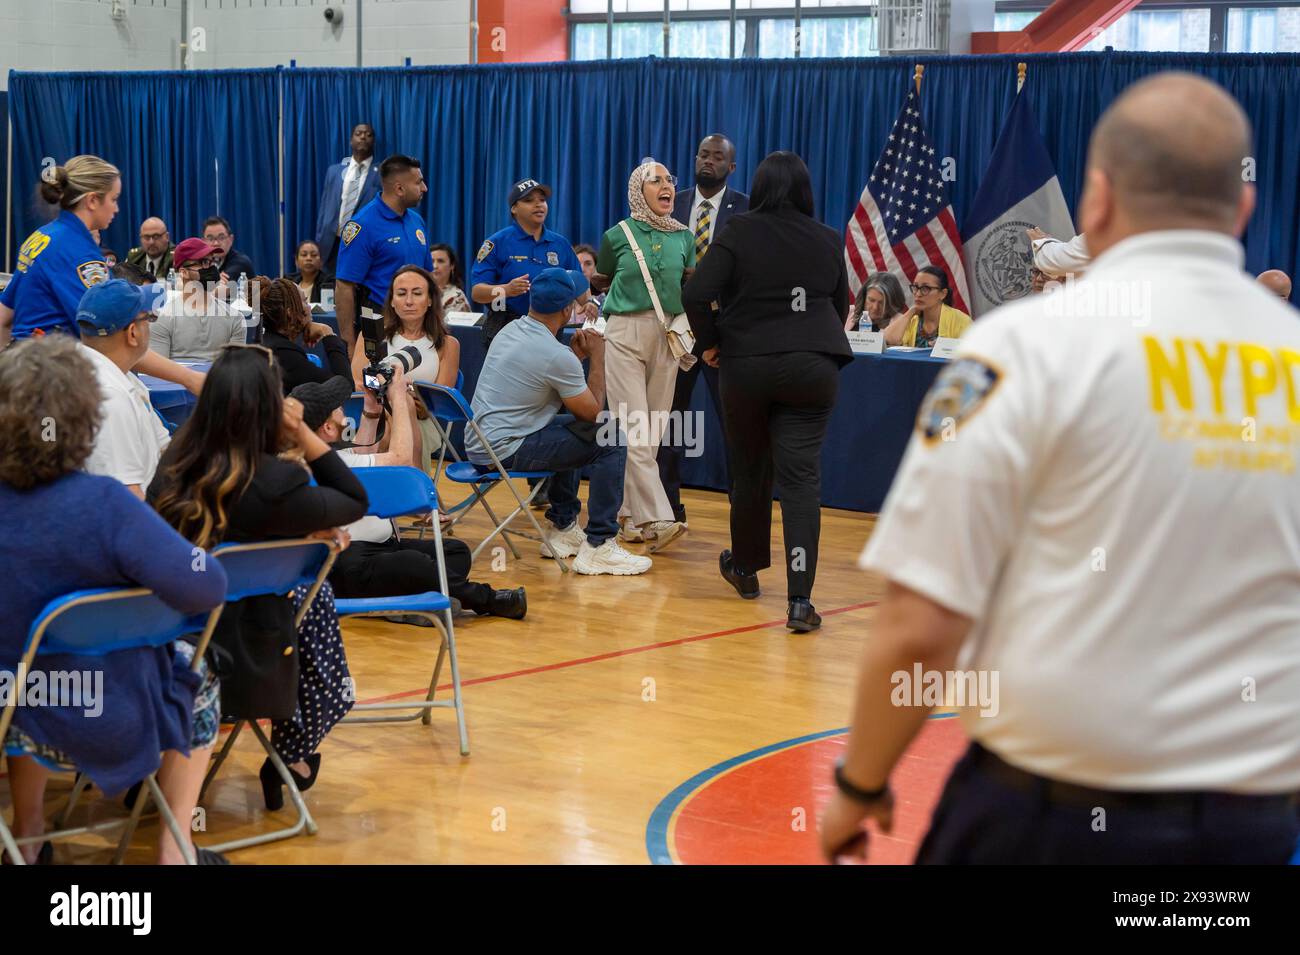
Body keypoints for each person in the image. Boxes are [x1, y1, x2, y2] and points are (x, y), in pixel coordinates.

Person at [822, 72, 1300, 866]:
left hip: (1049, 821)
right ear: (1242, 208)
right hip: (1253, 831)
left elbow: (921, 621)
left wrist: (861, 783)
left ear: (1099, 201)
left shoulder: (1017, 348)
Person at [0, 335, 229, 865]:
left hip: (12, 706)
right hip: (108, 710)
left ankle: (28, 832)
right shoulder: (106, 504)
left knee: (24, 662)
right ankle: (176, 846)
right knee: (200, 671)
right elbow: (208, 586)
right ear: (86, 415)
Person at [149, 346, 367, 811]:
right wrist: (302, 433)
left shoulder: (171, 471)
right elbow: (354, 499)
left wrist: (296, 535)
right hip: (247, 648)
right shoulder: (274, 483)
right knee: (315, 593)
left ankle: (157, 777)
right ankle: (293, 752)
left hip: (162, 640)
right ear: (272, 407)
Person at [682, 151, 852, 633]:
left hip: (748, 365)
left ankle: (746, 569)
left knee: (751, 469)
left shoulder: (737, 232)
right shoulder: (827, 238)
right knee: (800, 481)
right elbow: (839, 308)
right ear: (805, 190)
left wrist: (711, 343)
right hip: (813, 367)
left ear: (755, 188)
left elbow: (695, 295)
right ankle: (800, 600)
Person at [291, 375, 527, 621]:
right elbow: (401, 462)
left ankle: (399, 605)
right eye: (337, 407)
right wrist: (400, 399)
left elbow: (365, 453)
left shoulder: (323, 455)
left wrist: (372, 410)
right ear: (327, 428)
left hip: (379, 550)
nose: (343, 407)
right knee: (414, 563)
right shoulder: (322, 463)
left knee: (455, 552)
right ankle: (487, 599)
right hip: (347, 562)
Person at [466, 268, 650, 577]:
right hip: (502, 449)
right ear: (567, 310)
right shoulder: (555, 356)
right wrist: (597, 358)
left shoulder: (510, 330)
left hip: (480, 442)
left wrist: (573, 358)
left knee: (575, 429)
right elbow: (593, 413)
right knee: (610, 438)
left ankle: (564, 527)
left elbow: (545, 376)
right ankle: (599, 545)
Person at [0, 155, 205, 395]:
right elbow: (112, 339)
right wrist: (189, 378)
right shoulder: (80, 255)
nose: (117, 208)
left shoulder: (40, 238)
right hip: (55, 381)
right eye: (114, 199)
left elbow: (4, 317)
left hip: (24, 374)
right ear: (93, 200)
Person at [593, 161, 694, 551]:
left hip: (667, 333)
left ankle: (628, 518)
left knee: (650, 432)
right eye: (657, 179)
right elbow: (603, 274)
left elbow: (687, 280)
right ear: (639, 189)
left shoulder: (685, 237)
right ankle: (658, 517)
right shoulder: (617, 235)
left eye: (670, 179)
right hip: (624, 330)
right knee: (634, 427)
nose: (667, 185)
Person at [657, 134, 750, 527]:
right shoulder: (669, 202)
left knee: (733, 424)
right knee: (669, 421)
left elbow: (750, 267)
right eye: (702, 154)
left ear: (731, 168)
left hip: (723, 331)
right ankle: (667, 508)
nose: (707, 161)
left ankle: (740, 511)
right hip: (674, 328)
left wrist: (711, 280)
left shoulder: (745, 208)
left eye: (717, 157)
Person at [350, 264, 459, 476]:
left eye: (417, 293)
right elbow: (357, 385)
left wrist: (399, 397)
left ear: (429, 300)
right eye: (401, 293)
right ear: (392, 300)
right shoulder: (371, 335)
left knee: (398, 414)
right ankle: (418, 491)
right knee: (389, 424)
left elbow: (437, 401)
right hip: (372, 413)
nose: (409, 301)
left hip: (422, 421)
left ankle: (388, 497)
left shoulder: (448, 344)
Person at [74, 278, 172, 499]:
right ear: (132, 334)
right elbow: (126, 499)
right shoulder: (109, 397)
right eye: (149, 318)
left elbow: (165, 450)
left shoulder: (119, 374)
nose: (150, 324)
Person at [468, 177, 587, 350]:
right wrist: (506, 290)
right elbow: (477, 292)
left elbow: (579, 283)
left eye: (542, 200)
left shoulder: (559, 244)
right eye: (529, 200)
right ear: (514, 208)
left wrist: (589, 302)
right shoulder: (497, 243)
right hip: (507, 326)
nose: (538, 205)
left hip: (551, 329)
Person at [335, 154, 431, 358]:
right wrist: (350, 344)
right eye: (419, 182)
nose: (424, 188)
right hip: (379, 322)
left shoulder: (417, 221)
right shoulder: (362, 225)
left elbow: (427, 278)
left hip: (418, 324)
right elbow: (345, 286)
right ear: (399, 189)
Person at [151, 237, 247, 362]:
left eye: (212, 262)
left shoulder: (236, 319)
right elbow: (158, 373)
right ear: (184, 272)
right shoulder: (163, 319)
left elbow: (236, 371)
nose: (211, 268)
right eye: (203, 262)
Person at [256, 275, 351, 394]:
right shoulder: (285, 354)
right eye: (305, 301)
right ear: (290, 313)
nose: (309, 307)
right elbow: (345, 387)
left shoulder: (269, 343)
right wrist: (327, 332)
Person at [315, 123, 380, 269]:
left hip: (362, 243)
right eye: (358, 133)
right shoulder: (334, 171)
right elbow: (324, 209)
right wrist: (319, 239)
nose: (363, 136)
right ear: (351, 140)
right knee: (329, 289)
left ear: (374, 142)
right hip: (331, 243)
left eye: (368, 134)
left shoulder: (380, 173)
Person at [884, 266, 972, 347]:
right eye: (915, 287)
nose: (918, 294)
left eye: (925, 288)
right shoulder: (912, 319)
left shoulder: (962, 321)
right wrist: (911, 311)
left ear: (943, 294)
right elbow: (888, 340)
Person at [201, 216, 255, 286]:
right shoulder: (200, 261)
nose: (216, 243)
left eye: (221, 238)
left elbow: (222, 284)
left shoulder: (241, 262)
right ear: (203, 241)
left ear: (231, 239)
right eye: (210, 239)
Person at [287, 239, 335, 305]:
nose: (308, 258)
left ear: (321, 261)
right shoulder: (289, 281)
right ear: (296, 261)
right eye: (304, 255)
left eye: (314, 255)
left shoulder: (329, 282)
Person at [126, 216, 174, 281]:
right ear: (140, 239)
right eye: (146, 237)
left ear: (167, 237)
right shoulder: (134, 257)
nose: (151, 242)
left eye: (156, 236)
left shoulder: (176, 258)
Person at [430, 242, 471, 314]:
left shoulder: (457, 297)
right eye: (431, 261)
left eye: (440, 261)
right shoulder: (420, 291)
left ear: (452, 266)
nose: (435, 266)